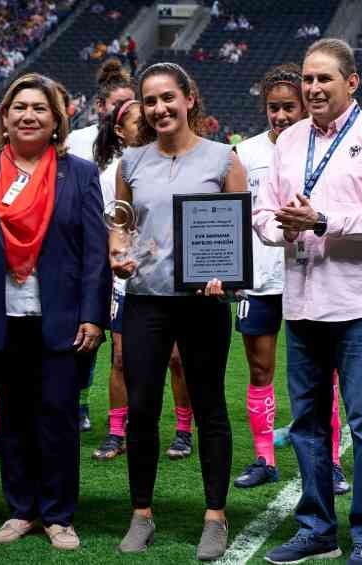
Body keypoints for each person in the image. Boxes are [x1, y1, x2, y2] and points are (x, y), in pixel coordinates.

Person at [0, 72, 110, 548]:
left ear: (56, 120)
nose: (28, 115)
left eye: (39, 108)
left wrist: (94, 315)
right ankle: (21, 510)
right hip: (0, 317)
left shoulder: (78, 173)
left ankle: (58, 515)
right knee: (12, 417)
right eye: (19, 108)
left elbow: (95, 252)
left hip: (61, 318)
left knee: (57, 415)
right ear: (5, 118)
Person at [256, 39, 362, 565]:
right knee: (308, 424)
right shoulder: (290, 140)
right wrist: (279, 225)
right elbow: (262, 212)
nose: (313, 88)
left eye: (324, 79)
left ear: (351, 82)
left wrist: (322, 220)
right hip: (300, 302)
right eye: (308, 79)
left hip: (357, 304)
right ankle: (317, 526)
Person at [111, 62, 246, 561]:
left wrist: (226, 274)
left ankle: (215, 516)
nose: (160, 108)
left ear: (189, 98)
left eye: (168, 97)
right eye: (150, 101)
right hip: (146, 300)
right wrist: (118, 254)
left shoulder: (222, 158)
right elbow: (121, 224)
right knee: (142, 409)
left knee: (210, 407)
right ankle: (141, 514)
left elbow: (237, 231)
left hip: (203, 304)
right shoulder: (131, 162)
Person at [230, 63, 350, 495]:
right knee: (260, 370)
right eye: (273, 108)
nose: (280, 116)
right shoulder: (245, 155)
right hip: (259, 278)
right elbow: (235, 219)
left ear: (304, 107)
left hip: (309, 275)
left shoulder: (322, 149)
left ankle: (331, 461)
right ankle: (264, 458)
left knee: (322, 374)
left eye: (288, 107)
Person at [90, 97, 196, 461]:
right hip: (128, 279)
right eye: (139, 123)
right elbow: (106, 229)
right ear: (121, 131)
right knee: (121, 358)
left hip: (173, 276)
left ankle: (184, 430)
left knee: (178, 358)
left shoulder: (176, 165)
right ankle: (116, 429)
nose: (147, 128)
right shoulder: (110, 176)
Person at [65, 57, 136, 431]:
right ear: (101, 106)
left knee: (123, 345)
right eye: (115, 104)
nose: (122, 110)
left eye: (130, 104)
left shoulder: (142, 146)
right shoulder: (78, 141)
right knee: (86, 331)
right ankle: (79, 401)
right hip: (86, 251)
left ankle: (122, 420)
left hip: (125, 253)